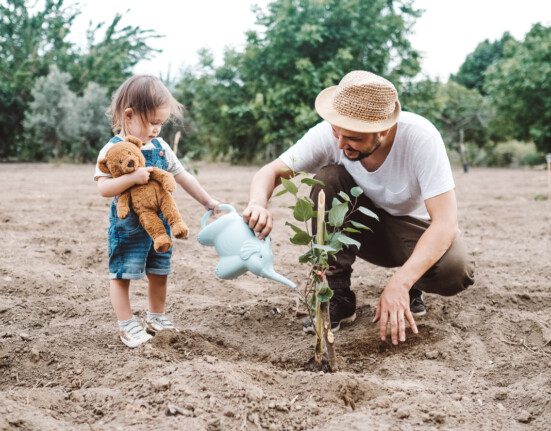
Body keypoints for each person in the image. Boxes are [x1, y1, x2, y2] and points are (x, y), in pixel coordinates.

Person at [243, 70, 474, 345]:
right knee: (328, 177)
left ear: (384, 131)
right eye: (337, 133)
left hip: (412, 232)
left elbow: (445, 223)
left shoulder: (421, 138)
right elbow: (270, 172)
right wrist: (258, 204)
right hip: (361, 226)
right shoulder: (334, 133)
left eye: (353, 138)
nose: (341, 144)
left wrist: (400, 283)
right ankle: (339, 297)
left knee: (455, 271)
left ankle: (412, 286)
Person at [95, 75, 220, 348]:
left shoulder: (162, 148)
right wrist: (132, 178)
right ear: (129, 116)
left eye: (161, 123)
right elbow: (104, 188)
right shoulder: (113, 150)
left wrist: (208, 201)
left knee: (160, 271)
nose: (157, 129)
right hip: (127, 226)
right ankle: (127, 324)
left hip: (159, 226)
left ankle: (156, 317)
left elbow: (183, 176)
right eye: (152, 122)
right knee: (122, 274)